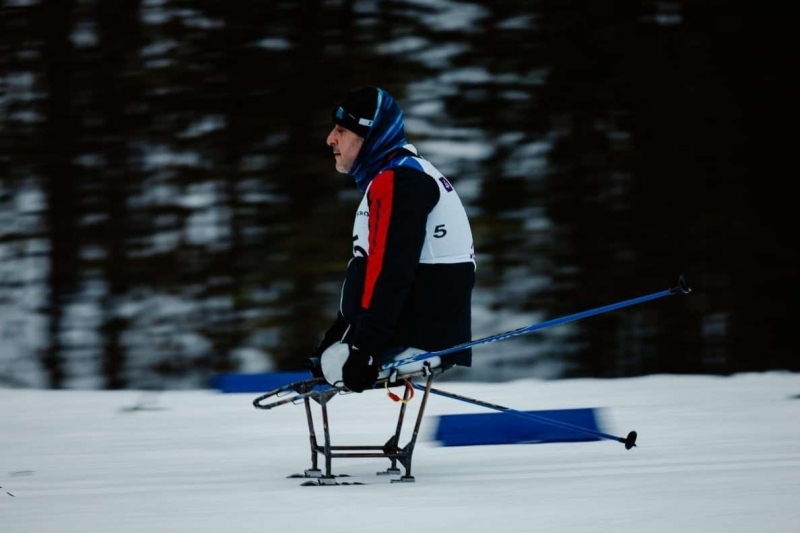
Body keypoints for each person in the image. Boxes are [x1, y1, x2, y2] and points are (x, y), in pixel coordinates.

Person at [309, 86, 476, 393]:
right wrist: (335, 338)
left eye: (341, 130)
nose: (330, 139)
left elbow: (390, 271)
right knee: (329, 361)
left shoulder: (399, 181)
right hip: (417, 327)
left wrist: (365, 350)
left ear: (368, 136)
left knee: (337, 365)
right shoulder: (398, 174)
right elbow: (373, 270)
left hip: (418, 338)